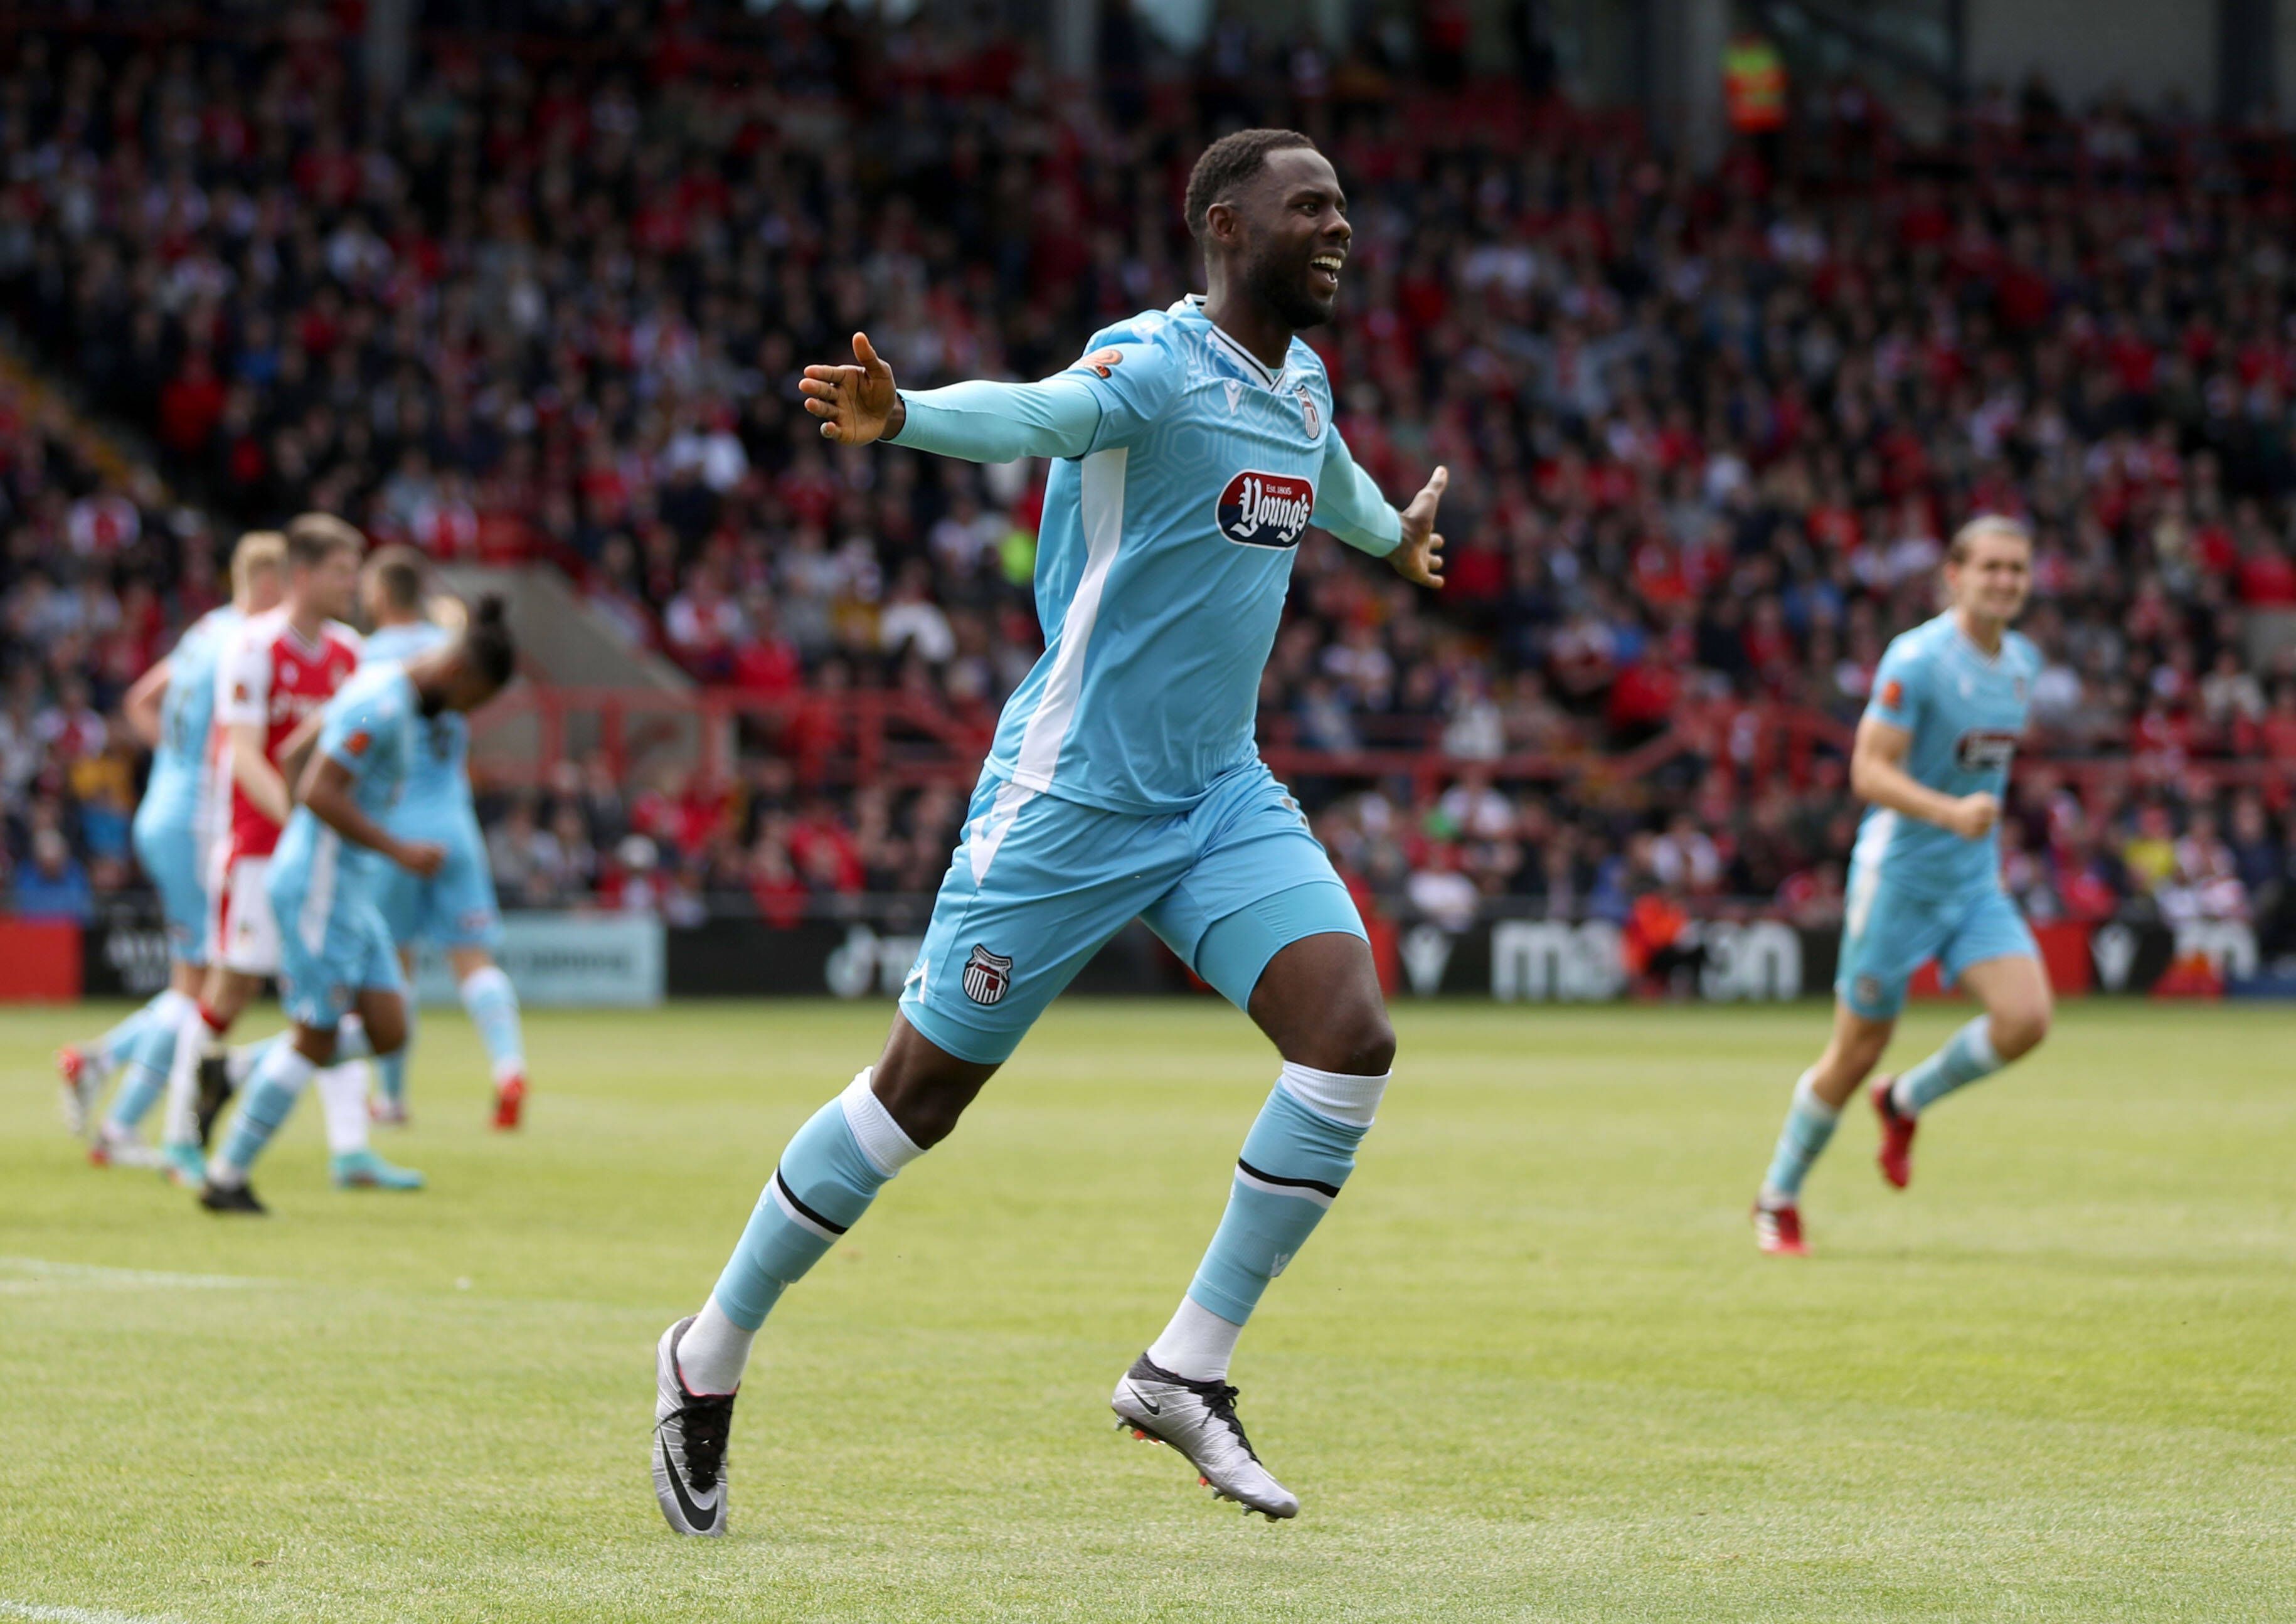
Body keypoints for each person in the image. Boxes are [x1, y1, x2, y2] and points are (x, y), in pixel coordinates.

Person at [649, 128, 1448, 1535]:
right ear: (1222, 224)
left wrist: (1395, 538)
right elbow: (1030, 415)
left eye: (1343, 205)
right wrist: (903, 419)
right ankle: (707, 1347)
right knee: (917, 1100)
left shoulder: (1303, 384)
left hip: (1217, 796)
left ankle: (1184, 1368)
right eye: (1307, 205)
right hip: (1069, 797)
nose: (1338, 227)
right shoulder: (1151, 363)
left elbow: (1331, 481)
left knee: (1350, 1033)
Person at [1751, 516, 2053, 1255]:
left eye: (2017, 569)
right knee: (1856, 1051)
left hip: (1973, 884)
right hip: (1898, 883)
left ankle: (1906, 1098)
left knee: (2026, 1019)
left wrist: (1974, 829)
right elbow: (1868, 771)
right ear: (1955, 575)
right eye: (1991, 568)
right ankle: (1777, 1197)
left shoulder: (2023, 663)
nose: (2006, 581)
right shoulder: (1916, 660)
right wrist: (1952, 813)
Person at [198, 599, 519, 1214]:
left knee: (389, 1029)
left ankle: (234, 1073)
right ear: (459, 676)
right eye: (470, 702)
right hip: (323, 884)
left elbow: (294, 754)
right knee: (316, 1037)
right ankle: (225, 1175)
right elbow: (318, 786)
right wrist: (386, 849)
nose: (461, 715)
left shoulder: (372, 683)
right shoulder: (384, 706)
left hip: (345, 881)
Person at [153, 514, 418, 1192]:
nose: (353, 583)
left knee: (345, 991)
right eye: (340, 571)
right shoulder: (253, 646)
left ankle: (351, 1150)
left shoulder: (351, 652)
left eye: (357, 571)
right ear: (302, 574)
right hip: (257, 849)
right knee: (230, 989)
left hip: (330, 859)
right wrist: (299, 817)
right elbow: (242, 752)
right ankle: (181, 1135)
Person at [58, 532, 284, 1165]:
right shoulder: (248, 645)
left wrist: (176, 761)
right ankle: (118, 1112)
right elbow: (229, 742)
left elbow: (138, 700)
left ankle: (104, 1078)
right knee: (206, 986)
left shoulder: (202, 632)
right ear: (269, 583)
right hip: (196, 824)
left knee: (196, 981)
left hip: (164, 807)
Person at [356, 548, 529, 1129]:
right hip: (454, 819)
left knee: (394, 968)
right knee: (474, 961)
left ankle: (394, 1098)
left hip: (393, 824)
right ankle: (509, 1067)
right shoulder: (454, 646)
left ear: (380, 594)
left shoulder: (369, 657)